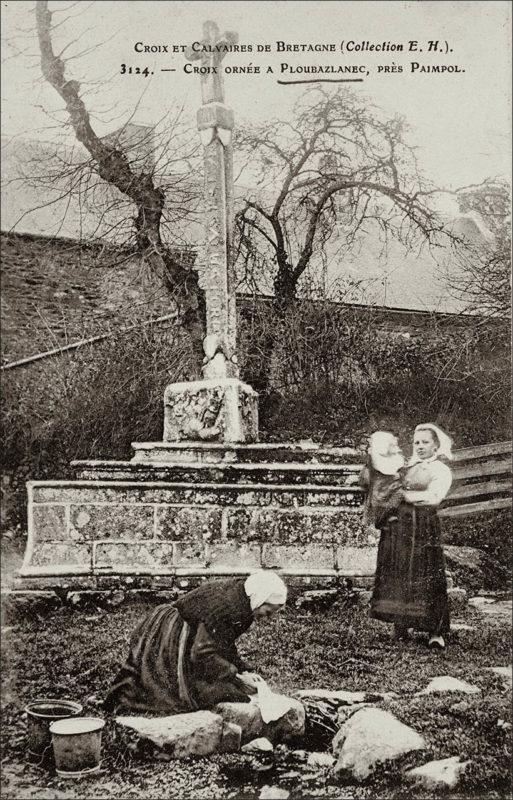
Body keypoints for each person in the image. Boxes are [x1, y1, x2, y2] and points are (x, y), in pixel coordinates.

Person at [103, 571, 287, 714]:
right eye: (268, 612)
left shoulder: (245, 604)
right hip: (169, 635)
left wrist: (242, 668)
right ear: (259, 599)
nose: (268, 618)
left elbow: (223, 641)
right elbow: (201, 653)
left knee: (230, 689)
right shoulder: (229, 607)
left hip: (193, 635)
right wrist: (236, 677)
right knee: (198, 693)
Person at [369, 423, 453, 650]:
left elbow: (434, 497)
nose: (421, 446)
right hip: (400, 529)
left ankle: (435, 632)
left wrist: (403, 496)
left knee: (427, 576)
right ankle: (401, 625)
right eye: (417, 442)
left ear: (436, 444)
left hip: (425, 529)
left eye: (426, 442)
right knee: (399, 573)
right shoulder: (406, 467)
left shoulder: (440, 469)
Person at [359, 431, 405, 528]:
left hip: (391, 486)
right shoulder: (375, 458)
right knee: (378, 500)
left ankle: (387, 515)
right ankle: (381, 519)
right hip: (380, 486)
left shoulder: (396, 457)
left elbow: (398, 468)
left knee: (398, 494)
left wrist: (397, 475)